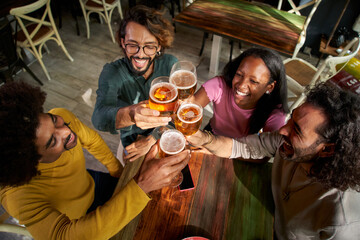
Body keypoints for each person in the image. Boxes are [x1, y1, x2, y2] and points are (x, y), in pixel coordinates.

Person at [0, 82, 190, 240]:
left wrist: (117, 171)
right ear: (29, 161)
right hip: (78, 222)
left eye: (53, 120)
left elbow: (92, 141)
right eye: (52, 141)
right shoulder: (17, 196)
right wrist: (141, 185)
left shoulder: (63, 116)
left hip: (91, 183)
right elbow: (65, 235)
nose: (66, 131)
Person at [187, 82, 360, 239]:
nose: (284, 129)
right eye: (292, 117)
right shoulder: (286, 143)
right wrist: (202, 138)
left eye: (297, 130)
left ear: (327, 149)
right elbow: (239, 146)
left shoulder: (342, 219)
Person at [92, 5, 178, 163]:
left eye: (149, 46)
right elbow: (99, 118)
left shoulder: (171, 65)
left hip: (166, 132)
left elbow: (176, 115)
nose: (140, 54)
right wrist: (131, 114)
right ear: (123, 43)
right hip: (133, 139)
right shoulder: (112, 73)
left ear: (159, 46)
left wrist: (151, 139)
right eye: (133, 45)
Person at [192, 47, 288, 138]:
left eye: (253, 81)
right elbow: (188, 110)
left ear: (270, 87)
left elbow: (269, 148)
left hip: (242, 150)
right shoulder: (219, 85)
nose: (241, 85)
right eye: (239, 74)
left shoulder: (275, 112)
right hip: (211, 135)